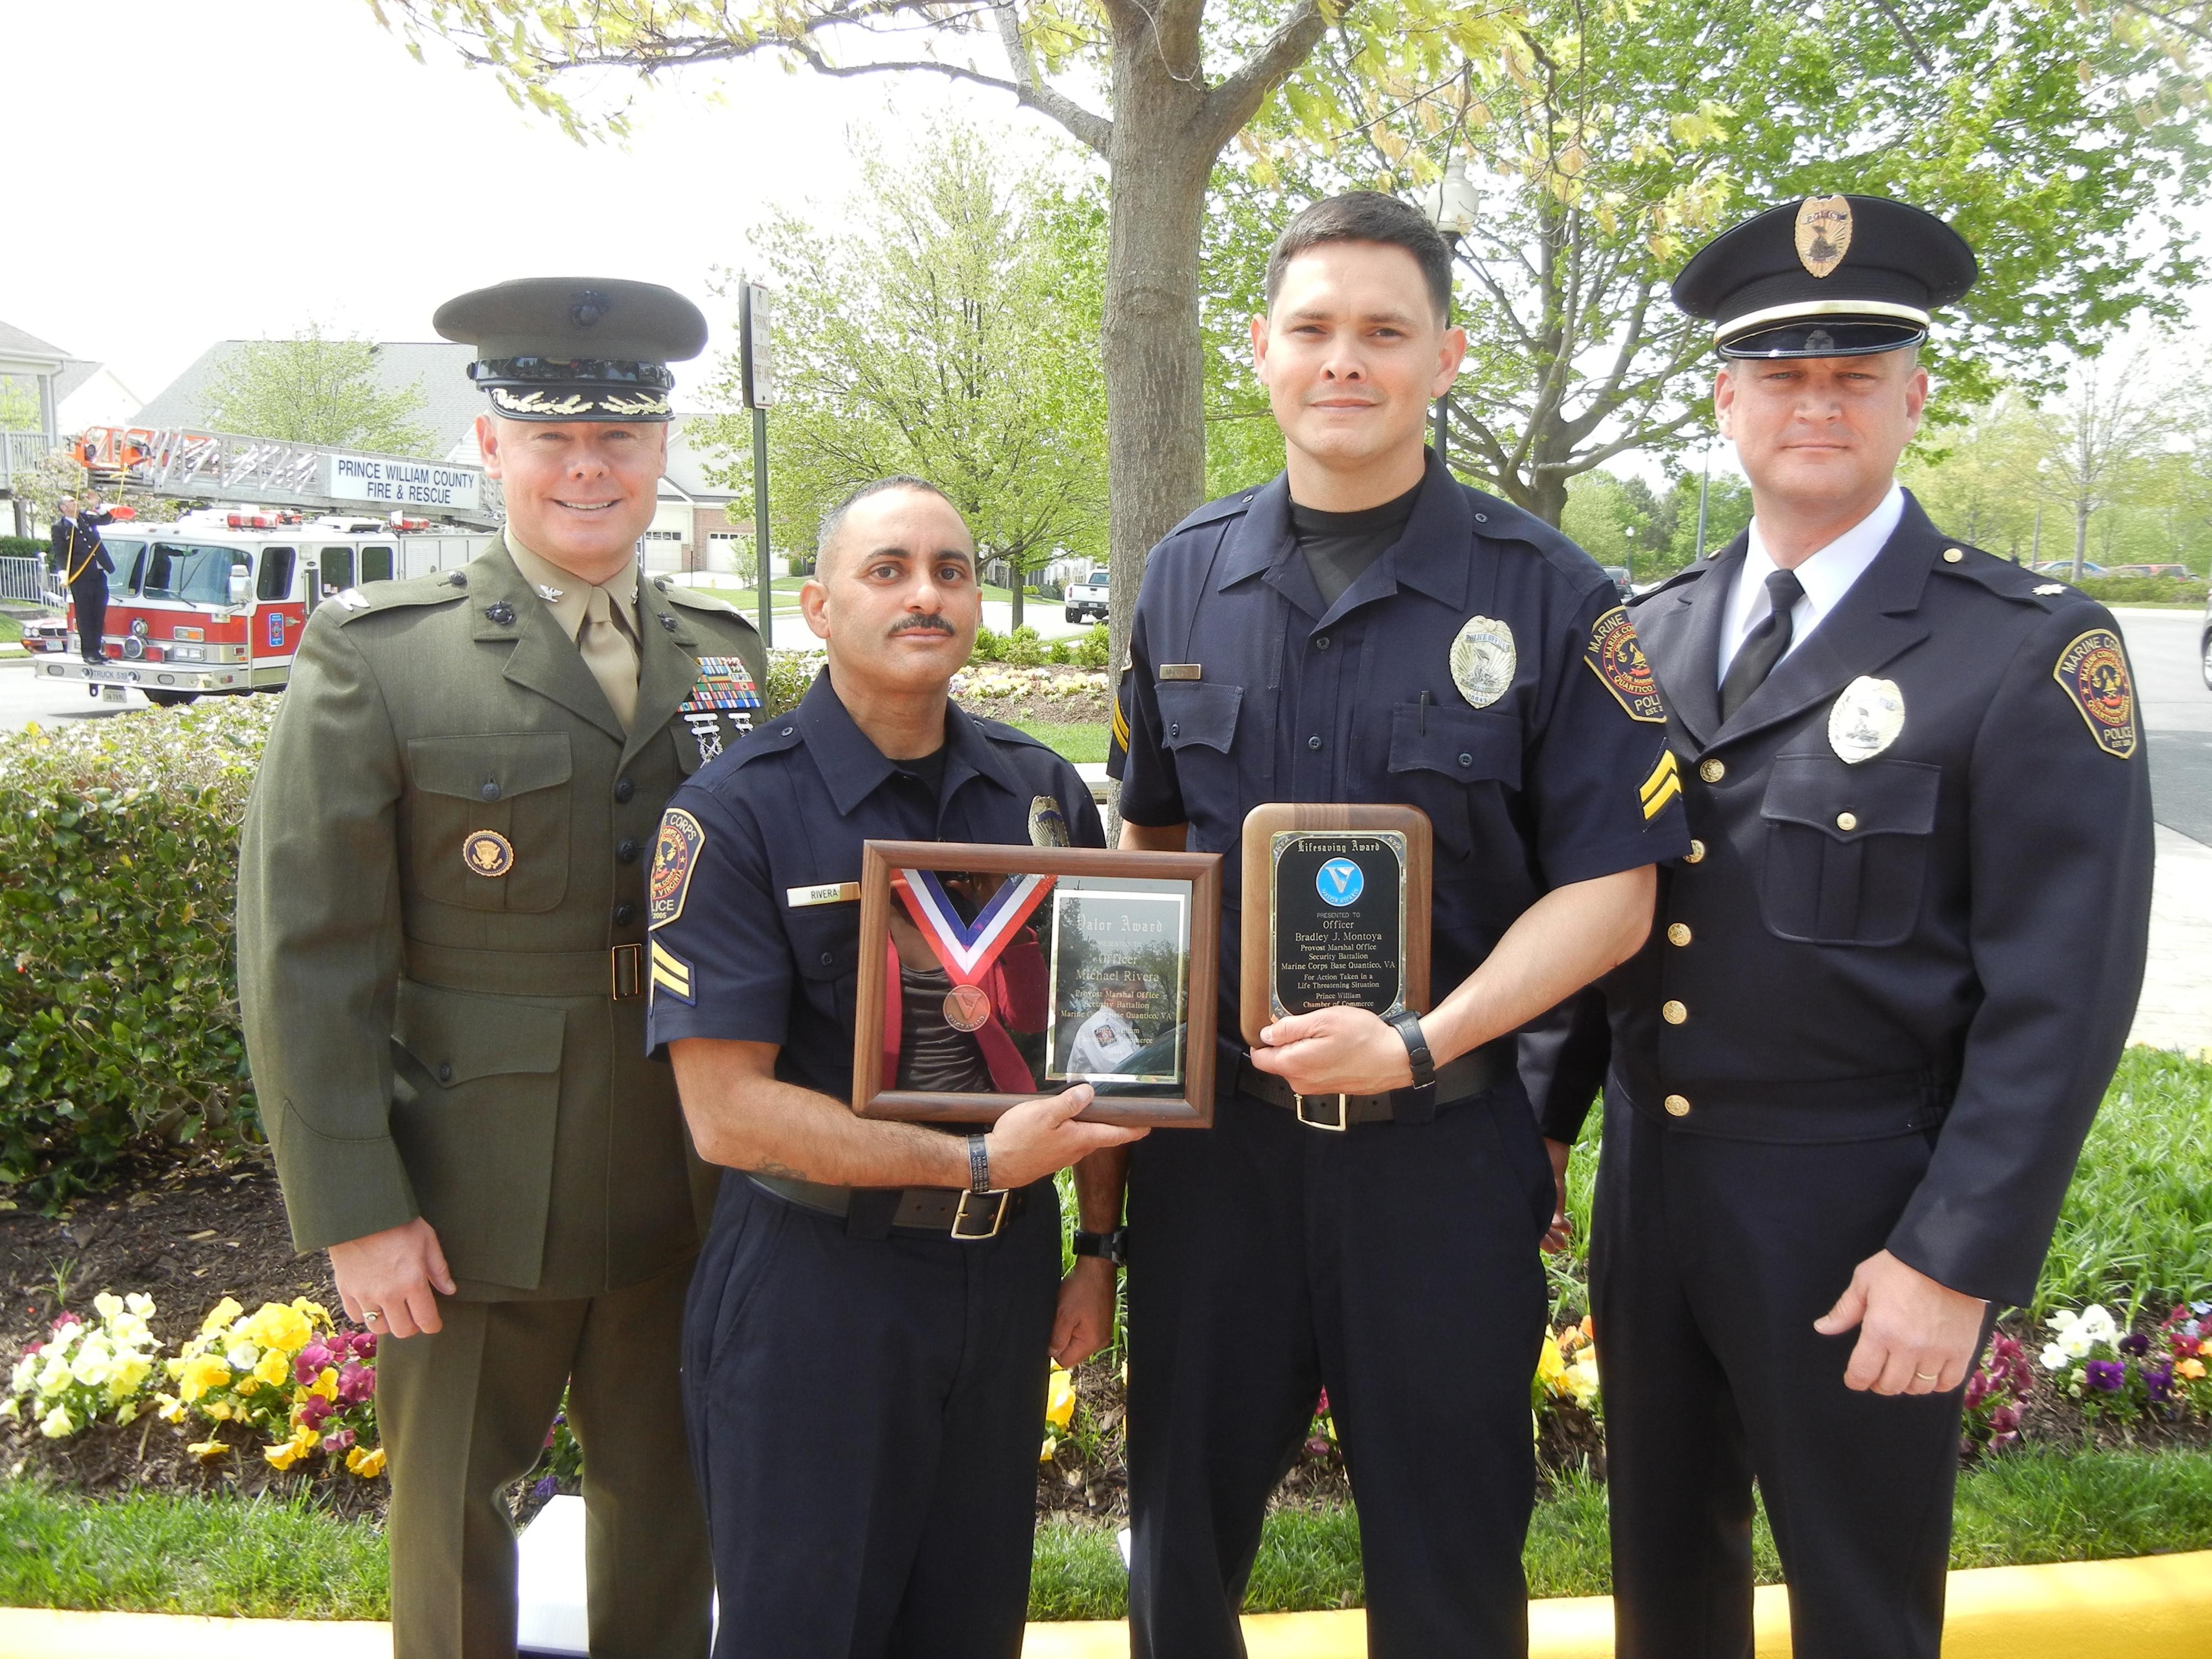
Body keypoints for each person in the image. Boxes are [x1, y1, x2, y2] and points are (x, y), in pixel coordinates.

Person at [1534, 196, 2155, 1658]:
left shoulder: (2026, 649)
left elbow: (2060, 997)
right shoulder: (1645, 636)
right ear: (1725, 398)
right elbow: (1595, 905)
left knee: (1861, 1607)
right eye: (1784, 374)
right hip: (1657, 1198)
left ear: (1913, 395)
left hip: (1862, 1212)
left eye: (1855, 374)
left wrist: (1953, 1257)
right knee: (1663, 1595)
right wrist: (1535, 1139)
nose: (1818, 402)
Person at [1079, 191, 1688, 1659]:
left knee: (1452, 1550)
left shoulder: (1550, 595)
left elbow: (1617, 886)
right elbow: (1147, 841)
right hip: (1217, 1162)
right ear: (1260, 351)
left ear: (1445, 356)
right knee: (1181, 1540)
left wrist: (1421, 1040)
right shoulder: (1183, 576)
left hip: (1438, 1157)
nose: (1343, 359)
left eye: (1382, 331)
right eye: (1313, 329)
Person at [237, 278, 766, 1659]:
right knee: (449, 1527)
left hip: (687, 1172)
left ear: (660, 450)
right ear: (491, 446)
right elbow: (307, 954)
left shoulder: (725, 659)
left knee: (672, 1516)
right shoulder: (380, 658)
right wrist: (358, 1206)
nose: (587, 467)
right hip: (468, 1197)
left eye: (621, 438)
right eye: (550, 438)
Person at [646, 476, 1147, 1659]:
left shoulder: (1039, 793)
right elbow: (725, 1115)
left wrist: (1094, 1249)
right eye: (888, 571)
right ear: (817, 607)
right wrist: (976, 1158)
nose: (926, 595)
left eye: (951, 570)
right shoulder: (731, 816)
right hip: (817, 1288)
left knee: (970, 1628)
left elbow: (1094, 1059)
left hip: (999, 1283)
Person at [51, 494, 114, 663]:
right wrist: (63, 574)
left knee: (98, 614)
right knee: (85, 615)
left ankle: (97, 650)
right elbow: (60, 553)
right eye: (71, 501)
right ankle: (88, 652)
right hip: (80, 576)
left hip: (98, 574)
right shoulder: (60, 528)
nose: (76, 502)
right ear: (64, 508)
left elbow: (107, 520)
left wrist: (97, 505)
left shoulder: (85, 518)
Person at [1065, 963, 1150, 1077]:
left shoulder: (1126, 1025)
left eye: (1145, 993)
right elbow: (1125, 1071)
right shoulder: (1100, 1026)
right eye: (1137, 993)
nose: (1145, 998)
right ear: (1108, 995)